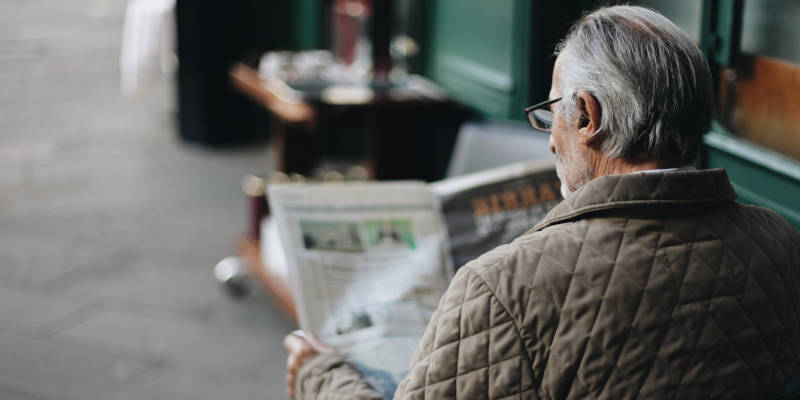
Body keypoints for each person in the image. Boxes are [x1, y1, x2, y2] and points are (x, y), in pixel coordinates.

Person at [284, 5, 800, 399]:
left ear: (587, 118)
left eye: (553, 111)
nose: (551, 140)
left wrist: (320, 375)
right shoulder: (782, 242)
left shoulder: (502, 287)